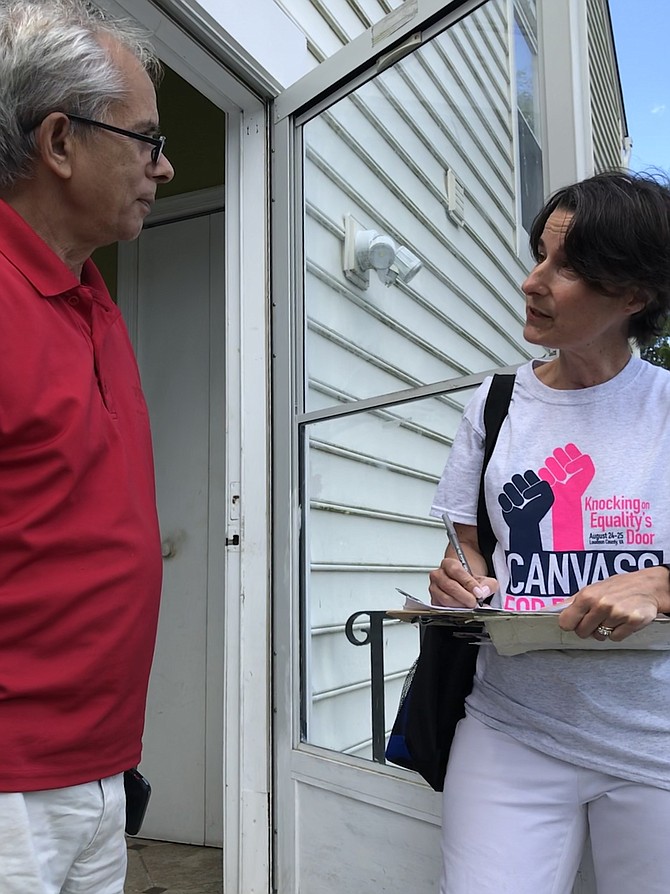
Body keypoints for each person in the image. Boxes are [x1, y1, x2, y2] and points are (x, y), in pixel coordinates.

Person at [428, 170, 670, 894]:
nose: (533, 281)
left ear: (634, 294)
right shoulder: (498, 402)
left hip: (658, 741)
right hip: (511, 727)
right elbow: (467, 542)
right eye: (539, 254)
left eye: (566, 267)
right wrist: (458, 578)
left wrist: (662, 582)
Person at [0, 1, 174, 891]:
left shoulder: (92, 296)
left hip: (100, 770)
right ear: (60, 142)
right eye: (145, 139)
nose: (164, 166)